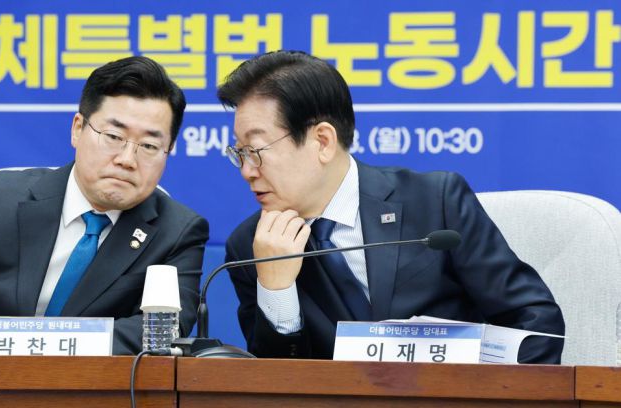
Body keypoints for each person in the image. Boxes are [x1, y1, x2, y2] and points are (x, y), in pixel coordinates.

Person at [217, 50, 565, 363]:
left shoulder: (434, 202)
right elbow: (276, 385)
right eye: (239, 153)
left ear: (322, 141)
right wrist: (277, 291)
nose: (247, 171)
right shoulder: (250, 247)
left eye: (256, 151)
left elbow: (535, 322)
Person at [0, 56, 209, 355]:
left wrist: (29, 346)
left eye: (149, 145)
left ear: (168, 151)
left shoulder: (177, 233)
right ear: (78, 129)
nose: (127, 159)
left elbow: (159, 337)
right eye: (113, 136)